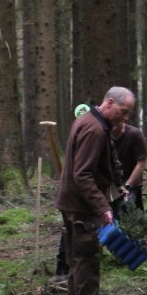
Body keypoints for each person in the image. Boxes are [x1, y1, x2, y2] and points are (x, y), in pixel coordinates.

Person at [55, 86, 136, 295]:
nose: (126, 118)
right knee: (87, 263)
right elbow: (83, 174)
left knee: (77, 261)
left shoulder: (90, 121)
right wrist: (102, 207)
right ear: (109, 103)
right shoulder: (94, 130)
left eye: (129, 113)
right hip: (82, 208)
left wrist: (118, 186)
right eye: (123, 111)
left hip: (72, 203)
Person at [51, 103, 93, 284]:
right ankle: (63, 269)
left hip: (85, 195)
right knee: (69, 231)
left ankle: (79, 271)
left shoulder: (93, 135)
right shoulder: (76, 137)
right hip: (73, 196)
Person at [111, 119, 147, 211]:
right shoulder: (103, 136)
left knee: (128, 208)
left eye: (117, 120)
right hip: (111, 184)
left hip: (132, 183)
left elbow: (141, 162)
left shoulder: (135, 134)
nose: (114, 124)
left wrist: (128, 185)